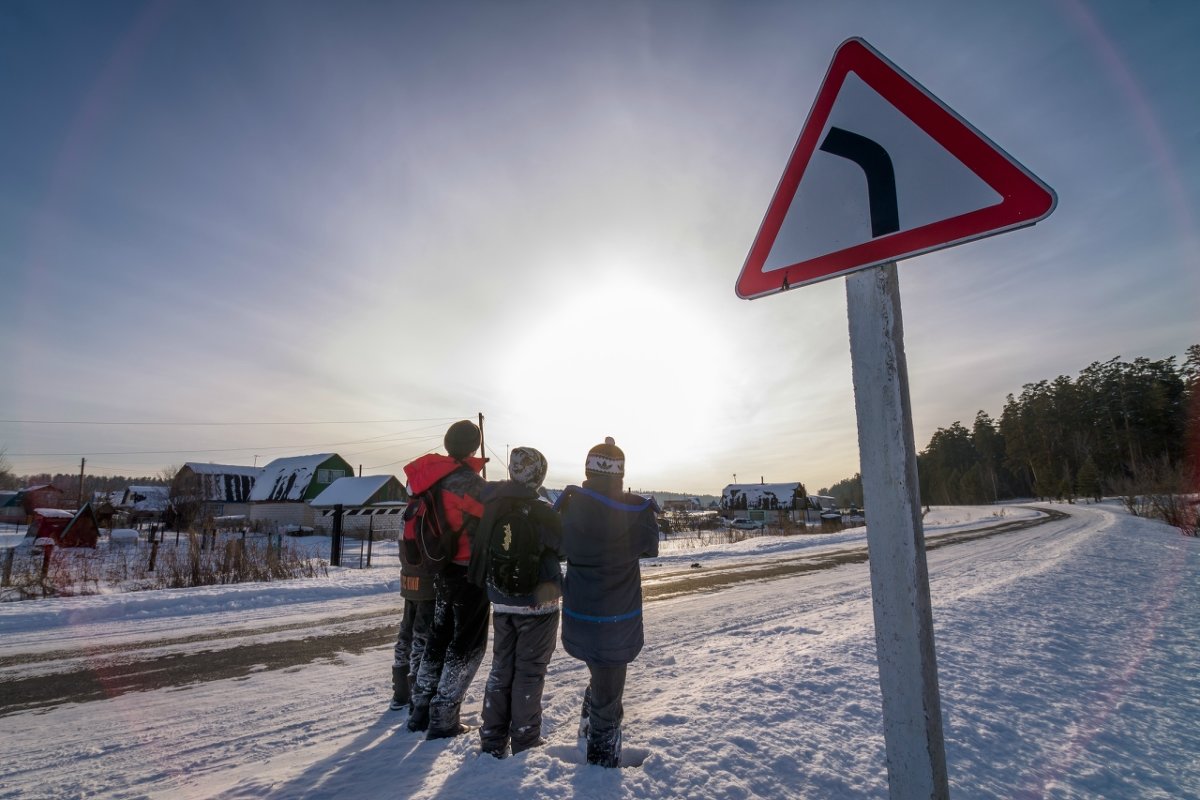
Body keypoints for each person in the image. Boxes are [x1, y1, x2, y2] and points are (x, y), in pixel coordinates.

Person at [555, 437, 659, 768]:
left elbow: (557, 548)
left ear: (588, 470)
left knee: (601, 683)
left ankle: (587, 734)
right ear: (620, 474)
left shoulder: (569, 506)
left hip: (580, 616)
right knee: (609, 698)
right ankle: (600, 766)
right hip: (618, 620)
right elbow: (651, 548)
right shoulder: (637, 510)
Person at [467, 446, 564, 758]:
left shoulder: (493, 502)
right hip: (538, 604)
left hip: (501, 599)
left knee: (501, 669)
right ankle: (524, 741)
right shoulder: (540, 508)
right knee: (529, 672)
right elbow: (562, 547)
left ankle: (492, 740)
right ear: (538, 474)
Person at [404, 420, 489, 739]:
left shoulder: (431, 477)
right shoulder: (466, 482)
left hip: (441, 567)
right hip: (469, 569)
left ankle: (420, 707)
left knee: (439, 636)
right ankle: (444, 714)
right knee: (466, 642)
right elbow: (489, 515)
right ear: (474, 447)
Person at [389, 512, 435, 712]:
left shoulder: (409, 512)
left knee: (405, 633)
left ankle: (400, 692)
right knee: (421, 638)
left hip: (409, 579)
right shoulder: (430, 511)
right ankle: (416, 691)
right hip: (426, 582)